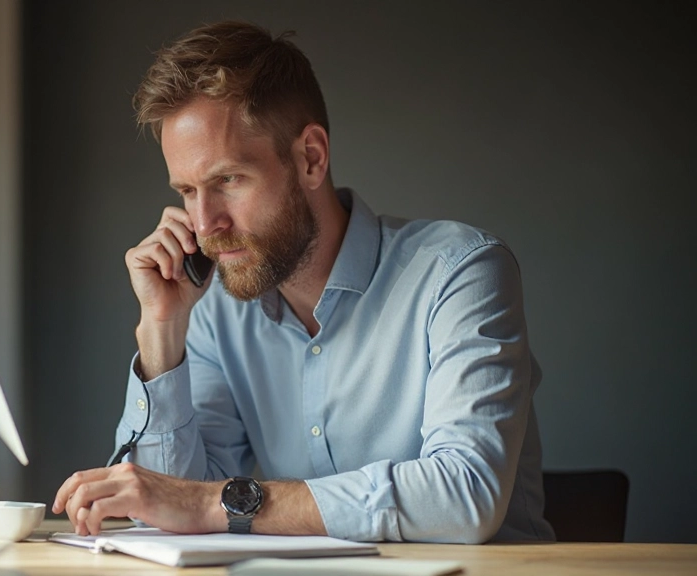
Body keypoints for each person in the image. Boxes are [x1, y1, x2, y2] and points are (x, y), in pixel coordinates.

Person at [52, 20, 555, 544]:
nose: (204, 225)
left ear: (311, 158)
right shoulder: (218, 313)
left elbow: (465, 495)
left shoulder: (459, 272)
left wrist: (215, 503)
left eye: (228, 180)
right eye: (187, 190)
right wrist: (162, 328)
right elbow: (167, 506)